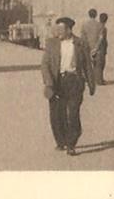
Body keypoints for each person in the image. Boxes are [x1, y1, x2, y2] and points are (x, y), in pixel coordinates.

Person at [40, 17, 96, 156]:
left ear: (69, 29)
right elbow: (45, 64)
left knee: (73, 113)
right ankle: (61, 141)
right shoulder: (51, 43)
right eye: (57, 28)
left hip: (74, 82)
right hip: (57, 82)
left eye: (61, 29)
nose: (57, 31)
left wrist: (91, 84)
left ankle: (71, 144)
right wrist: (49, 83)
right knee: (56, 115)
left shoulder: (80, 43)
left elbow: (87, 65)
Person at [81, 8, 103, 81]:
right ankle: (98, 80)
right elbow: (100, 38)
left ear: (89, 15)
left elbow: (83, 38)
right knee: (98, 66)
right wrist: (95, 48)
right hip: (97, 48)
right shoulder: (100, 25)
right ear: (96, 15)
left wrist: (87, 48)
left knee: (87, 65)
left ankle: (88, 80)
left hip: (87, 47)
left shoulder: (84, 25)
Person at [96, 12, 109, 85]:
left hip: (97, 47)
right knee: (101, 64)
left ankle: (98, 79)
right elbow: (101, 39)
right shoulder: (103, 28)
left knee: (97, 65)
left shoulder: (97, 26)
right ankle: (100, 80)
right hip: (101, 48)